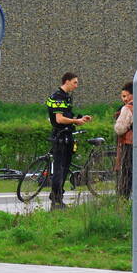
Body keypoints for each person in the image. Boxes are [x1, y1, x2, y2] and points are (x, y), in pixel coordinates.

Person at [45, 72, 91, 209]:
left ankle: (58, 196)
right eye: (75, 82)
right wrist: (75, 120)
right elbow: (59, 119)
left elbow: (66, 116)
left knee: (65, 168)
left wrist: (78, 120)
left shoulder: (66, 97)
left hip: (67, 134)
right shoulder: (58, 97)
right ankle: (56, 199)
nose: (76, 86)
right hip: (61, 137)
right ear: (67, 81)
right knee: (60, 168)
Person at [113, 82, 134, 198]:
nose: (123, 99)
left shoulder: (127, 109)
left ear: (132, 95)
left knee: (126, 173)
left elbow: (119, 129)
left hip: (128, 144)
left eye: (125, 96)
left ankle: (123, 199)